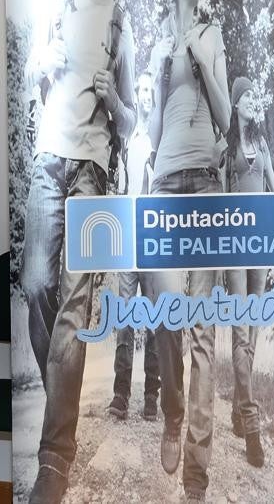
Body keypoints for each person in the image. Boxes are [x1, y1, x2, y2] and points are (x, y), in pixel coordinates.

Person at [21, 0, 137, 503]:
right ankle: (61, 396)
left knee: (72, 307)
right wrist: (43, 62)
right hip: (48, 160)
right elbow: (32, 73)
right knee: (35, 285)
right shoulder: (60, 6)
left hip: (92, 169)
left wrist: (112, 98)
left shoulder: (120, 24)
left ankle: (54, 461)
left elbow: (132, 118)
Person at [145, 0, 231, 504]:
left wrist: (201, 60)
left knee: (203, 330)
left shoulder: (212, 36)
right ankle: (173, 414)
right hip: (164, 183)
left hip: (205, 183)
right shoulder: (158, 44)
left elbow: (226, 118)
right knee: (166, 315)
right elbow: (154, 134)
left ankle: (196, 476)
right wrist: (158, 80)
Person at [223, 76, 274, 467]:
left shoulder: (263, 144)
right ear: (236, 103)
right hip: (234, 245)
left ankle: (237, 408)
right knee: (240, 331)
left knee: (252, 331)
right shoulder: (227, 149)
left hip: (261, 243)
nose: (254, 100)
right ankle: (251, 423)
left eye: (256, 96)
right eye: (248, 95)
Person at [108, 72, 160, 423]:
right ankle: (120, 394)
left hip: (155, 239)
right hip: (129, 237)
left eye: (149, 89)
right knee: (125, 315)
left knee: (155, 318)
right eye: (140, 89)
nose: (144, 95)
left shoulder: (162, 136)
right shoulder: (128, 136)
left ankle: (152, 395)